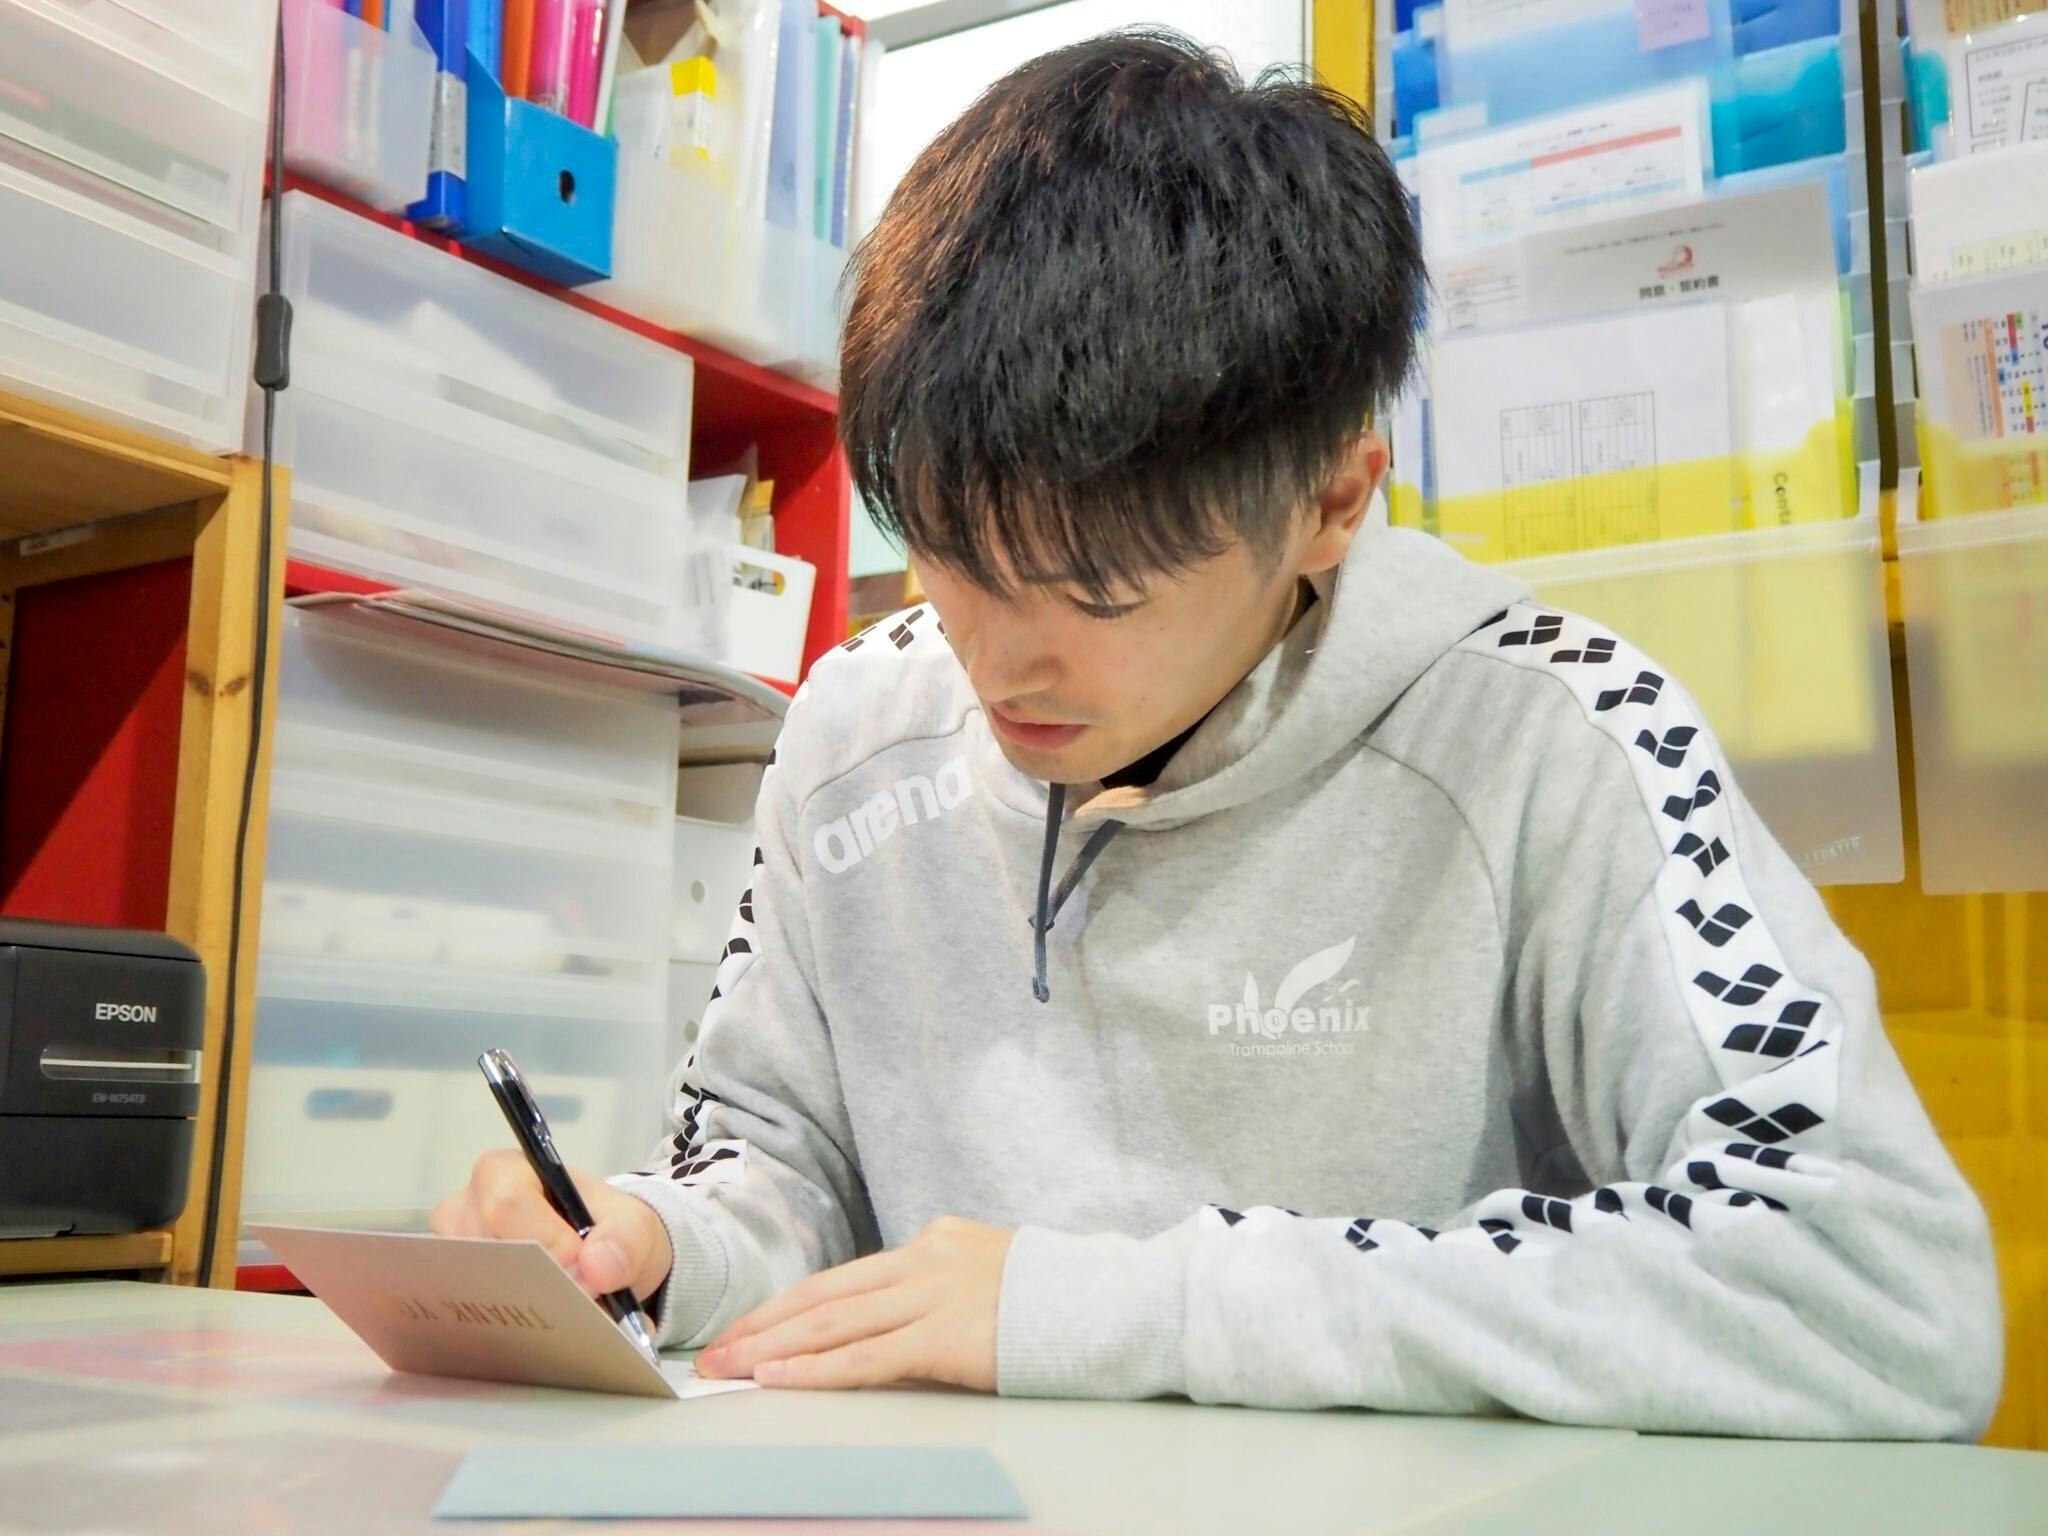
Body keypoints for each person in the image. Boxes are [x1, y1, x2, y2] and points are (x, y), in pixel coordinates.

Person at [434, 30, 2002, 1437]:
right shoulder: (858, 730)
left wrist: (1126, 1307)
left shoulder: (1557, 738)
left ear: (1331, 499)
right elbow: (780, 1172)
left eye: (1097, 593)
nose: (997, 659)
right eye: (955, 561)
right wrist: (663, 1242)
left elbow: (1873, 1286)